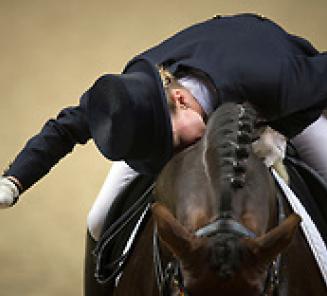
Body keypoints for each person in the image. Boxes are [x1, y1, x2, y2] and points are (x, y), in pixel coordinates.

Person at [1, 13, 327, 243]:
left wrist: (279, 130)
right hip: (199, 78)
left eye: (173, 142)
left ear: (182, 100)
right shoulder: (126, 100)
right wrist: (13, 183)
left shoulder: (275, 81)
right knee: (98, 221)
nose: (180, 157)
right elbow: (64, 129)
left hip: (278, 89)